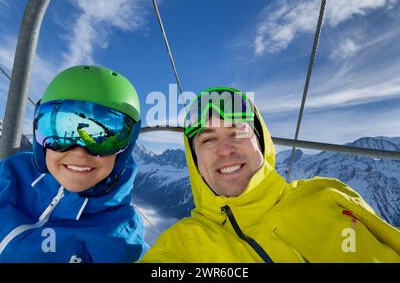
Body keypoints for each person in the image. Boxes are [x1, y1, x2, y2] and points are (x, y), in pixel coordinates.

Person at [141, 87, 400, 263]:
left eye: (238, 132)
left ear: (261, 142)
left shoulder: (328, 194)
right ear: (195, 162)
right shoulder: (180, 248)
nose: (225, 149)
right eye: (208, 140)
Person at [0, 65, 147, 262]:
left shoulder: (120, 237)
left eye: (101, 142)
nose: (79, 152)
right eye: (60, 134)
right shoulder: (9, 176)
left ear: (124, 150)